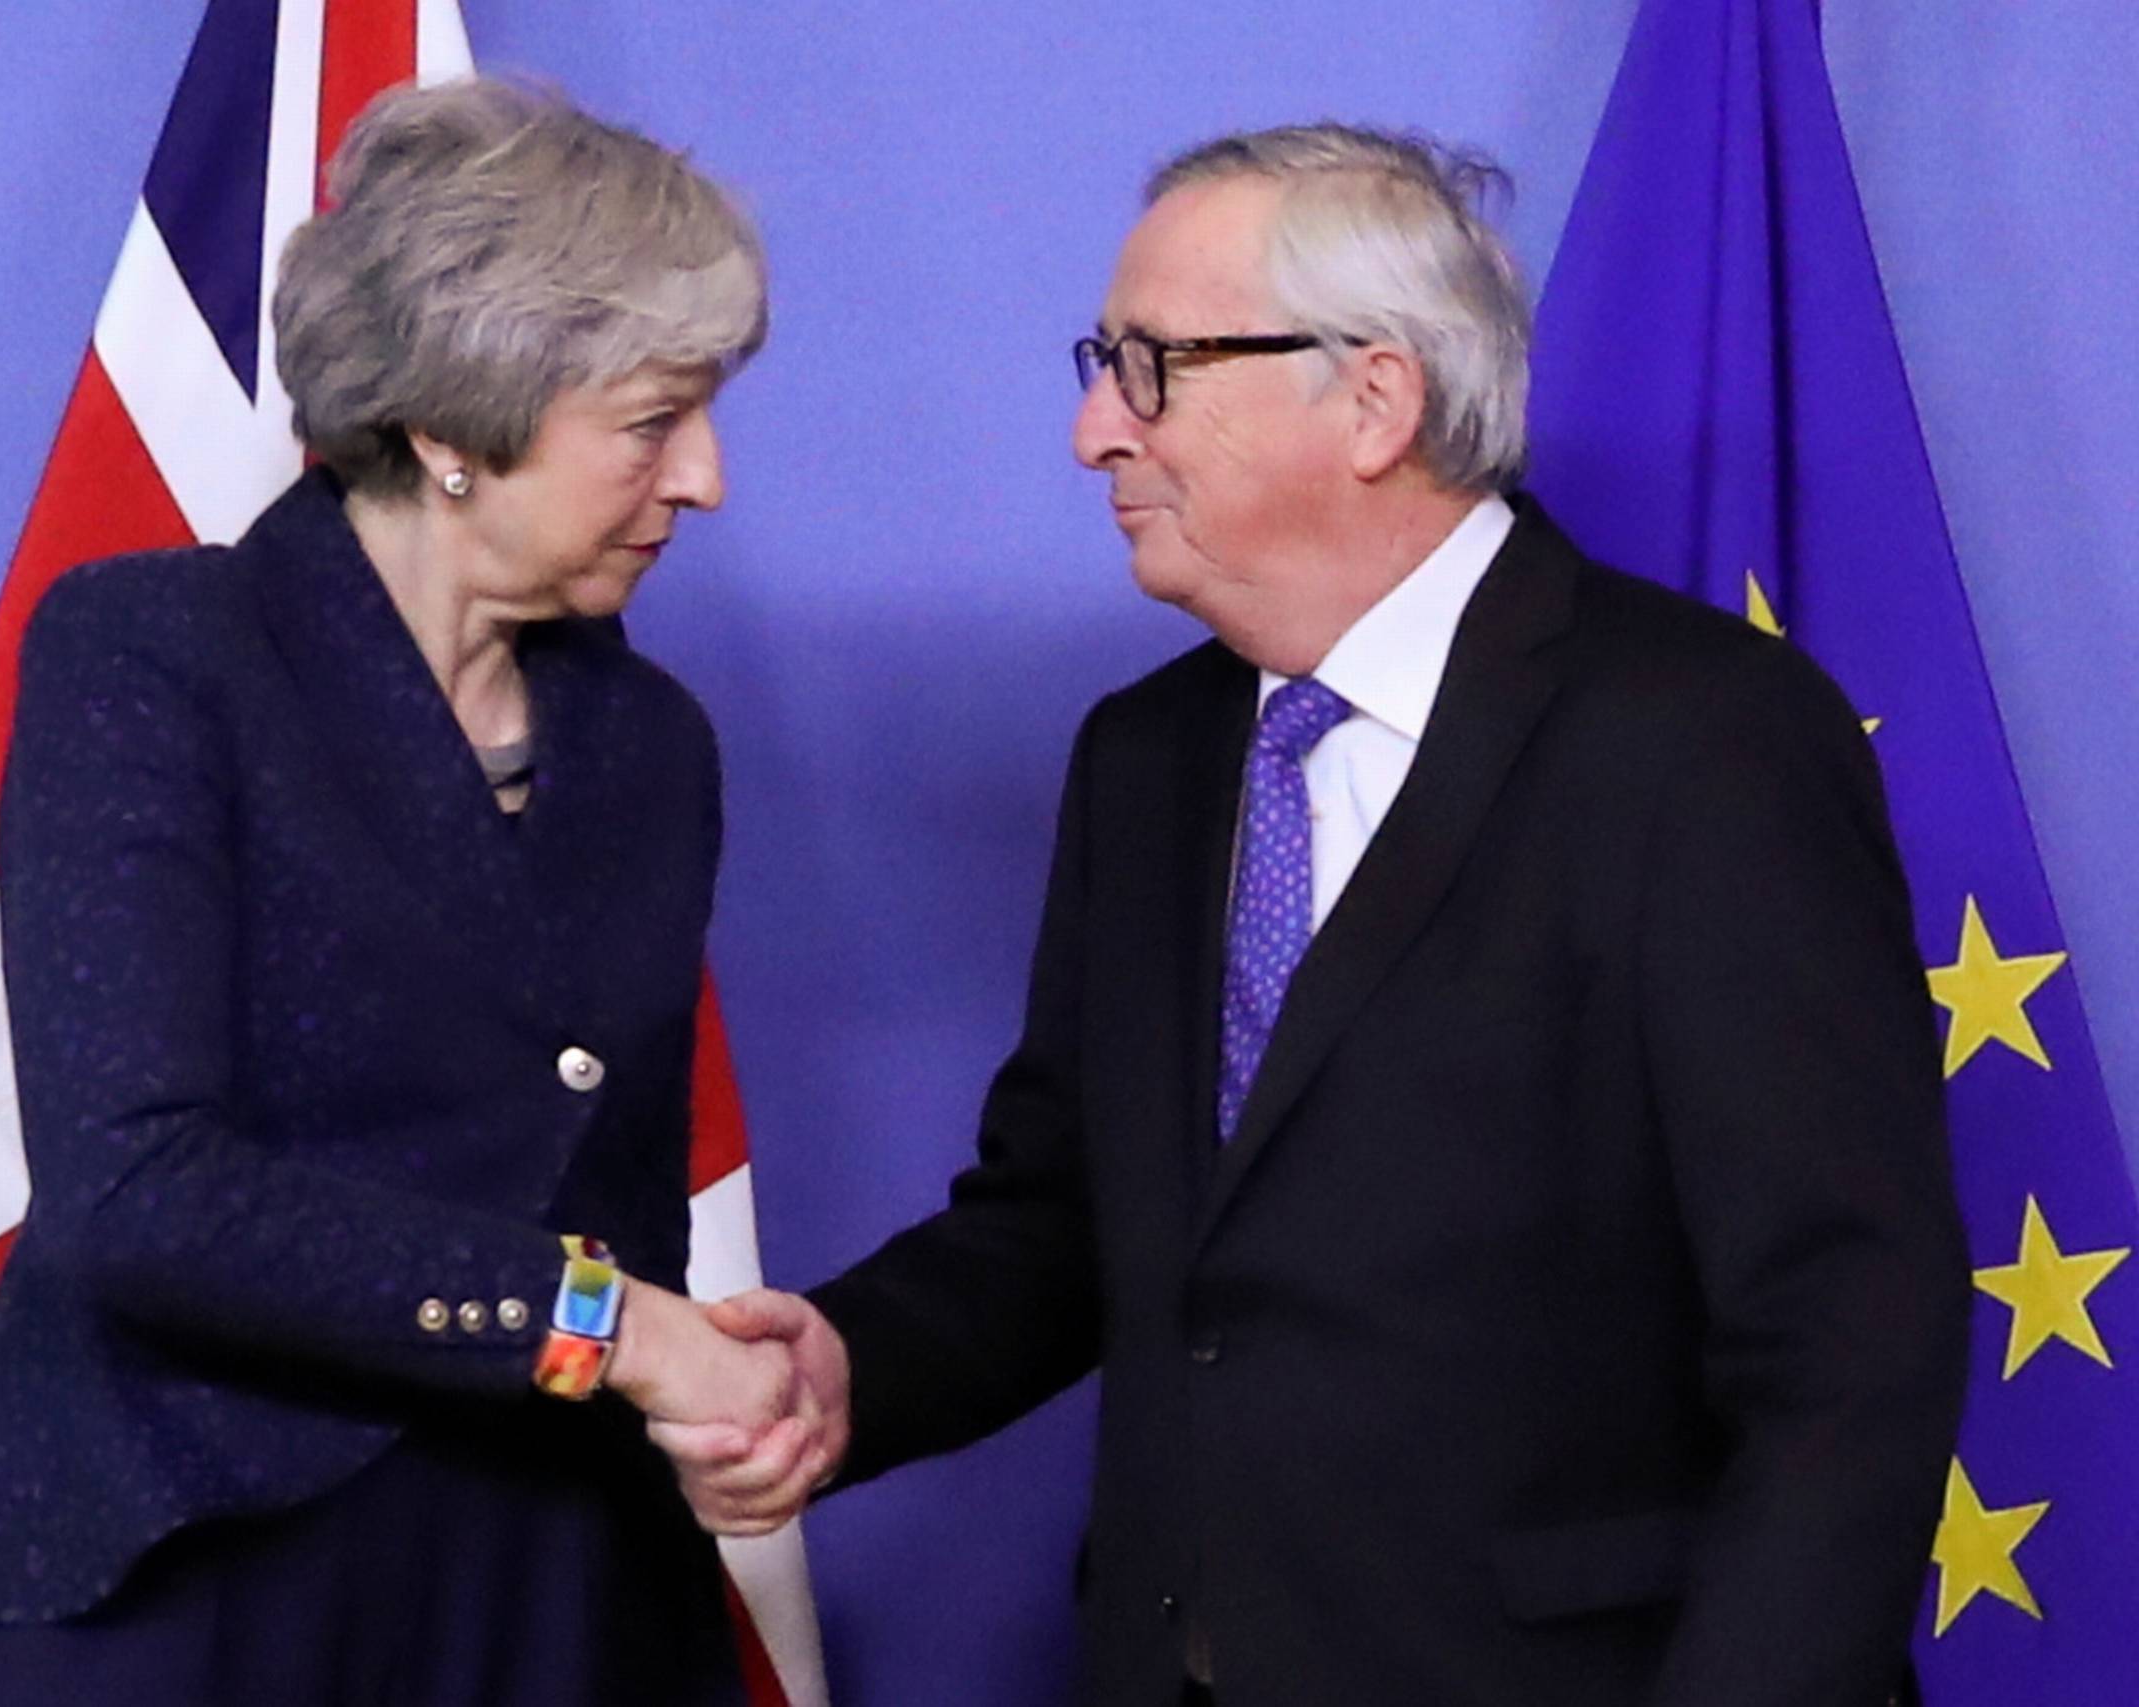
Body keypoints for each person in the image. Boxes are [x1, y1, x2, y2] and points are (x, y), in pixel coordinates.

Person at [671, 125, 1972, 1707]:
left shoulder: (1702, 743)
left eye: (1152, 366)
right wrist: (847, 1370)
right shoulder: (1147, 761)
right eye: (1103, 363)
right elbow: (1070, 1222)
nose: (1095, 429)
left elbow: (1848, 1347)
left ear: (1375, 399)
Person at [0, 80, 796, 1707]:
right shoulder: (154, 654)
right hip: (190, 1557)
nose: (706, 478)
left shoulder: (652, 742)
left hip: (552, 1574)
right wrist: (625, 1334)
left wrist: (713, 1410)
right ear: (454, 425)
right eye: (655, 422)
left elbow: (608, 1194)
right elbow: (142, 1197)